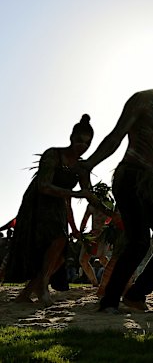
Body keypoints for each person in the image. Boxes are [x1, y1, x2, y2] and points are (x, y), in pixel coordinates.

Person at [79, 43, 153, 312]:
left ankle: (135, 295)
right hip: (130, 176)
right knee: (139, 240)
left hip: (151, 184)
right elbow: (115, 137)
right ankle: (109, 301)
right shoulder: (143, 100)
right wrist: (89, 164)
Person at [1, 115, 95, 305]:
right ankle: (42, 287)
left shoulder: (82, 168)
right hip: (37, 204)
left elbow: (90, 196)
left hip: (58, 206)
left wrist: (111, 213)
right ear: (71, 138)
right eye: (79, 141)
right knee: (53, 243)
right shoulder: (53, 154)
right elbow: (43, 185)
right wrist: (76, 194)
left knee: (59, 256)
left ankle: (26, 294)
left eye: (87, 143)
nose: (82, 146)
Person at [79, 203, 110, 286]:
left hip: (104, 235)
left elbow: (111, 220)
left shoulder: (108, 204)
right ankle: (94, 283)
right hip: (92, 234)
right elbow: (85, 219)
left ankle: (115, 278)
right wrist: (81, 233)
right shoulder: (91, 205)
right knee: (83, 260)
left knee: (102, 259)